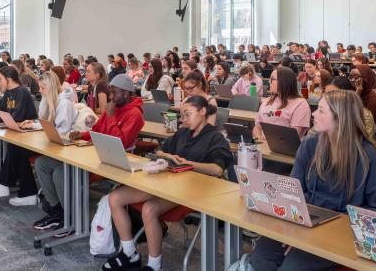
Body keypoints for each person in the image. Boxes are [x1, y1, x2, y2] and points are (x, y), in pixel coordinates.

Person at [251, 90, 376, 270]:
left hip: (343, 233)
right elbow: (294, 191)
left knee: (291, 267)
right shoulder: (310, 144)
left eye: (320, 110)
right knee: (261, 258)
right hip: (307, 221)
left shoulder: (368, 156)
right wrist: (297, 232)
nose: (313, 113)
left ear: (339, 117)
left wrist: (314, 235)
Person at [103, 96, 231, 271]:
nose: (183, 119)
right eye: (182, 115)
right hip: (168, 183)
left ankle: (154, 266)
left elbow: (218, 169)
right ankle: (129, 253)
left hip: (192, 191)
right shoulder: (182, 133)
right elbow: (161, 150)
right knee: (115, 198)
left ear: (202, 112)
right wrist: (171, 157)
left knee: (149, 209)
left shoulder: (216, 138)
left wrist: (189, 164)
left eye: (187, 114)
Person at [0, 66, 40, 202]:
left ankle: (4, 185)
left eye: (0, 79)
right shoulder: (8, 92)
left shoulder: (22, 92)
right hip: (17, 134)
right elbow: (0, 110)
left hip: (30, 135)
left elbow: (16, 117)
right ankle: (16, 189)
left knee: (16, 149)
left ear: (9, 79)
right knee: (15, 149)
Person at [31, 72, 80, 230]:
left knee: (59, 172)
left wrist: (43, 130)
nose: (40, 90)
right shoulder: (47, 99)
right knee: (40, 163)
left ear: (51, 87)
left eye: (43, 87)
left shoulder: (64, 103)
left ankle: (69, 216)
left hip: (70, 149)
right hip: (57, 146)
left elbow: (62, 131)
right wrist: (33, 125)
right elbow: (45, 123)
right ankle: (56, 210)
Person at [69, 74, 144, 148]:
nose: (110, 96)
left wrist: (111, 117)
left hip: (114, 155)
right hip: (100, 149)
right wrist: (82, 135)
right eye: (110, 93)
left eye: (114, 93)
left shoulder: (135, 114)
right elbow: (97, 131)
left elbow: (120, 144)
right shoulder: (113, 107)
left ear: (125, 93)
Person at [253, 67, 311, 140]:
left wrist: (268, 144)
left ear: (284, 81)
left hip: (285, 149)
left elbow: (294, 136)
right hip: (263, 147)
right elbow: (257, 127)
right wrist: (260, 141)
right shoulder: (267, 101)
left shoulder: (300, 104)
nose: (269, 82)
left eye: (272, 79)